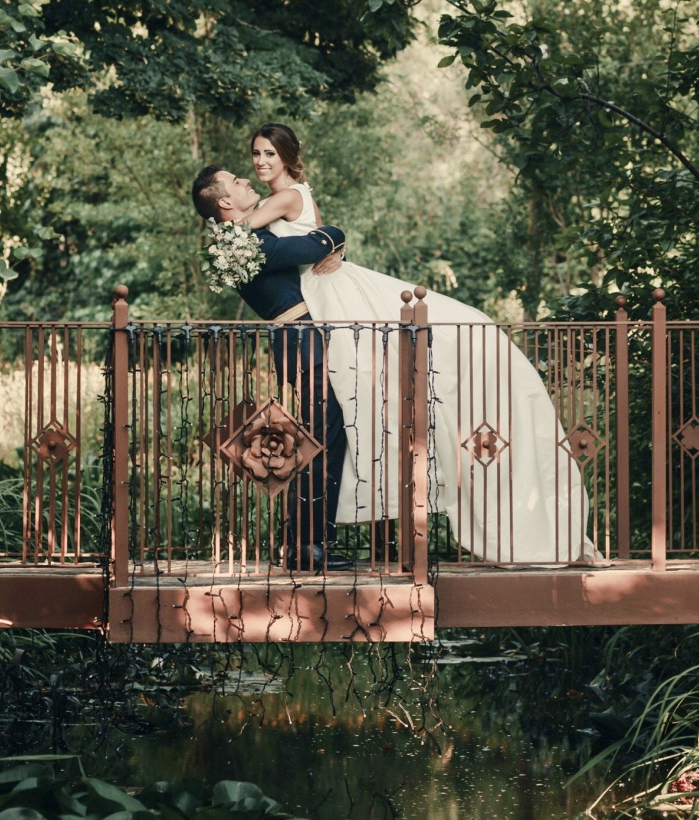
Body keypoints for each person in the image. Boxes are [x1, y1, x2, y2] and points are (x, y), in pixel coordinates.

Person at [242, 123, 596, 564]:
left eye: (269, 154)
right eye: (256, 154)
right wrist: (331, 238)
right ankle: (338, 528)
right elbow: (307, 244)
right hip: (321, 299)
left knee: (391, 363)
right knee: (365, 394)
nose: (260, 162)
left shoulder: (286, 196)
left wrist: (240, 230)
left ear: (287, 158)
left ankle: (344, 528)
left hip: (333, 295)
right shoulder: (288, 199)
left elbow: (242, 230)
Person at [191, 165, 354, 572]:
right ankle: (306, 547)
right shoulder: (243, 244)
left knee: (324, 436)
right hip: (302, 341)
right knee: (322, 438)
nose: (247, 180)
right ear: (225, 202)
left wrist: (331, 240)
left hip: (302, 340)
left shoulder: (245, 239)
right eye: (236, 182)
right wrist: (336, 235)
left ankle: (308, 542)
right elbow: (314, 246)